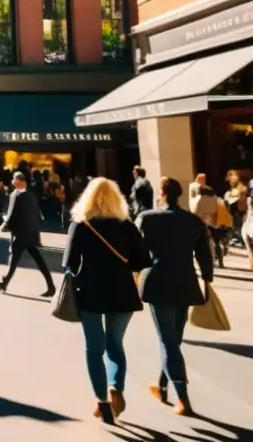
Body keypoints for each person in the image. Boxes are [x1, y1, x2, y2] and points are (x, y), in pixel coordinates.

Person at [63, 177, 151, 424]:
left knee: (94, 348)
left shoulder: (80, 226)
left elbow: (68, 264)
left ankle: (102, 403)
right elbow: (143, 261)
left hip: (90, 291)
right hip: (122, 291)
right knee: (115, 344)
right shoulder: (127, 226)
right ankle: (116, 388)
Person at [136, 177, 215, 417]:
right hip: (185, 282)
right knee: (173, 340)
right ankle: (160, 386)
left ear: (161, 193)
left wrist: (134, 273)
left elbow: (137, 251)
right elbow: (204, 254)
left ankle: (182, 397)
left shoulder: (147, 219)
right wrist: (207, 279)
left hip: (158, 281)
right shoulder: (193, 221)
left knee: (168, 341)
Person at [0, 171, 56, 296]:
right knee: (36, 259)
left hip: (22, 233)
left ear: (21, 181)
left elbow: (11, 214)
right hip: (29, 233)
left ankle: (4, 283)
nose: (13, 182)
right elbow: (36, 215)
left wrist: (5, 225)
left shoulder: (16, 195)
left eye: (15, 179)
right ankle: (50, 286)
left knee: (16, 257)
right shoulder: (29, 195)